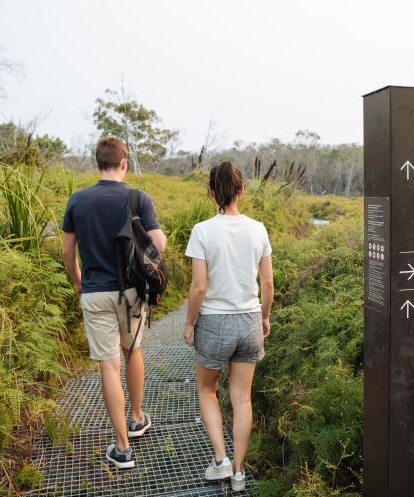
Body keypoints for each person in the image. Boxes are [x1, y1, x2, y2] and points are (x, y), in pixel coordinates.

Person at [61, 137, 167, 469]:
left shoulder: (78, 200)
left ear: (98, 163)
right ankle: (136, 419)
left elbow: (67, 252)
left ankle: (122, 449)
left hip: (94, 292)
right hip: (132, 293)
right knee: (132, 351)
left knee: (109, 366)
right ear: (124, 163)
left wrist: (80, 283)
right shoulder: (138, 198)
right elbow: (159, 244)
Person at [183, 161, 274, 492]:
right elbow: (268, 284)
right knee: (242, 398)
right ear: (242, 190)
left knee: (207, 390)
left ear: (211, 192)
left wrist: (190, 323)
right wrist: (264, 317)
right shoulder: (258, 229)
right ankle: (238, 473)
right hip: (249, 321)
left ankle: (220, 459)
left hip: (215, 323)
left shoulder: (202, 231)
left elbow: (199, 288)